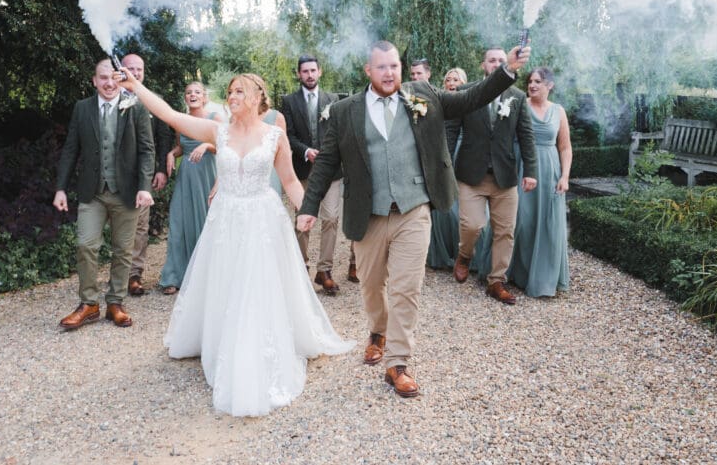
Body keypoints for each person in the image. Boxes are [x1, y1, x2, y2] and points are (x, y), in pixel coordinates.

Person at [297, 40, 530, 398]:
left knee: (407, 288)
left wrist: (507, 71)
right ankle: (377, 330)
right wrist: (309, 207)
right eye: (382, 67)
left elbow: (471, 98)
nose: (389, 73)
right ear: (368, 71)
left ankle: (397, 363)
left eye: (394, 66)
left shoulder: (422, 96)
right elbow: (328, 160)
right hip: (369, 213)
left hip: (414, 209)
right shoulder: (345, 111)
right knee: (372, 286)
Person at [117, 68, 353, 417]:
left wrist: (307, 210)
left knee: (257, 286)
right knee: (226, 281)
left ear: (258, 97)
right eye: (229, 91)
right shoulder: (218, 131)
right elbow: (169, 114)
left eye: (240, 92)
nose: (232, 97)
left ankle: (253, 349)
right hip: (226, 221)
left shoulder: (275, 135)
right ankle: (222, 340)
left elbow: (288, 179)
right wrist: (135, 85)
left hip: (262, 220)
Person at [53, 58, 154, 329]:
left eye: (113, 77)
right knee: (86, 244)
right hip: (93, 192)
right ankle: (88, 304)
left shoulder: (136, 106)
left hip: (127, 192)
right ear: (94, 81)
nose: (109, 83)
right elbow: (71, 149)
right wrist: (61, 187)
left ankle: (115, 303)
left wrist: (145, 186)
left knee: (122, 250)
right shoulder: (82, 108)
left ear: (120, 79)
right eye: (103, 78)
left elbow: (146, 149)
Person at [449, 47, 538, 305]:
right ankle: (464, 255)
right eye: (492, 60)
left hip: (504, 176)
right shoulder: (466, 93)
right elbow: (452, 131)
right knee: (472, 225)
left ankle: (496, 281)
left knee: (505, 231)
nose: (498, 63)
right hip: (471, 175)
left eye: (501, 59)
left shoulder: (518, 97)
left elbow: (526, 137)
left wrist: (531, 171)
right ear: (483, 65)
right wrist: (444, 168)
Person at [280, 55, 354, 294]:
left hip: (331, 170)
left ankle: (325, 270)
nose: (309, 75)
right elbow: (287, 135)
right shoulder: (288, 102)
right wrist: (305, 151)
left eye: (313, 70)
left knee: (331, 218)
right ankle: (301, 268)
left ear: (320, 72)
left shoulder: (333, 100)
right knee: (303, 220)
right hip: (302, 170)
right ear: (298, 74)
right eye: (305, 71)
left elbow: (340, 132)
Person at [507, 67, 572, 297]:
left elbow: (564, 147)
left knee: (548, 224)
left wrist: (564, 177)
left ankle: (544, 279)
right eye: (530, 81)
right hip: (523, 168)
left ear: (549, 85)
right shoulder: (519, 104)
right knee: (522, 222)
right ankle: (517, 274)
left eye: (538, 82)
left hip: (551, 171)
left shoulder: (558, 111)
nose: (532, 85)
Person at [158, 81, 219, 295]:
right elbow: (182, 146)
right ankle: (174, 275)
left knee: (205, 223)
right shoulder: (180, 121)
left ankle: (206, 277)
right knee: (179, 223)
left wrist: (206, 145)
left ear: (205, 97)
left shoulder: (215, 119)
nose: (192, 95)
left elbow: (227, 148)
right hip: (187, 176)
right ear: (185, 98)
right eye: (188, 92)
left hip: (208, 176)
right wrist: (171, 154)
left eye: (197, 92)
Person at [121, 54, 173, 297]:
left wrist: (161, 169)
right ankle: (117, 273)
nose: (135, 72)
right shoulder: (111, 97)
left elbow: (164, 138)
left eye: (139, 68)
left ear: (144, 71)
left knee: (140, 226)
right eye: (130, 68)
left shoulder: (155, 101)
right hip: (115, 176)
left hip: (144, 174)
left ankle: (135, 275)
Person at [426, 67, 468, 269]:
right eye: (448, 80)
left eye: (456, 80)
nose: (451, 83)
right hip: (441, 152)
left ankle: (465, 252)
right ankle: (443, 251)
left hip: (463, 154)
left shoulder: (467, 102)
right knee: (444, 206)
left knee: (462, 207)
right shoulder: (438, 102)